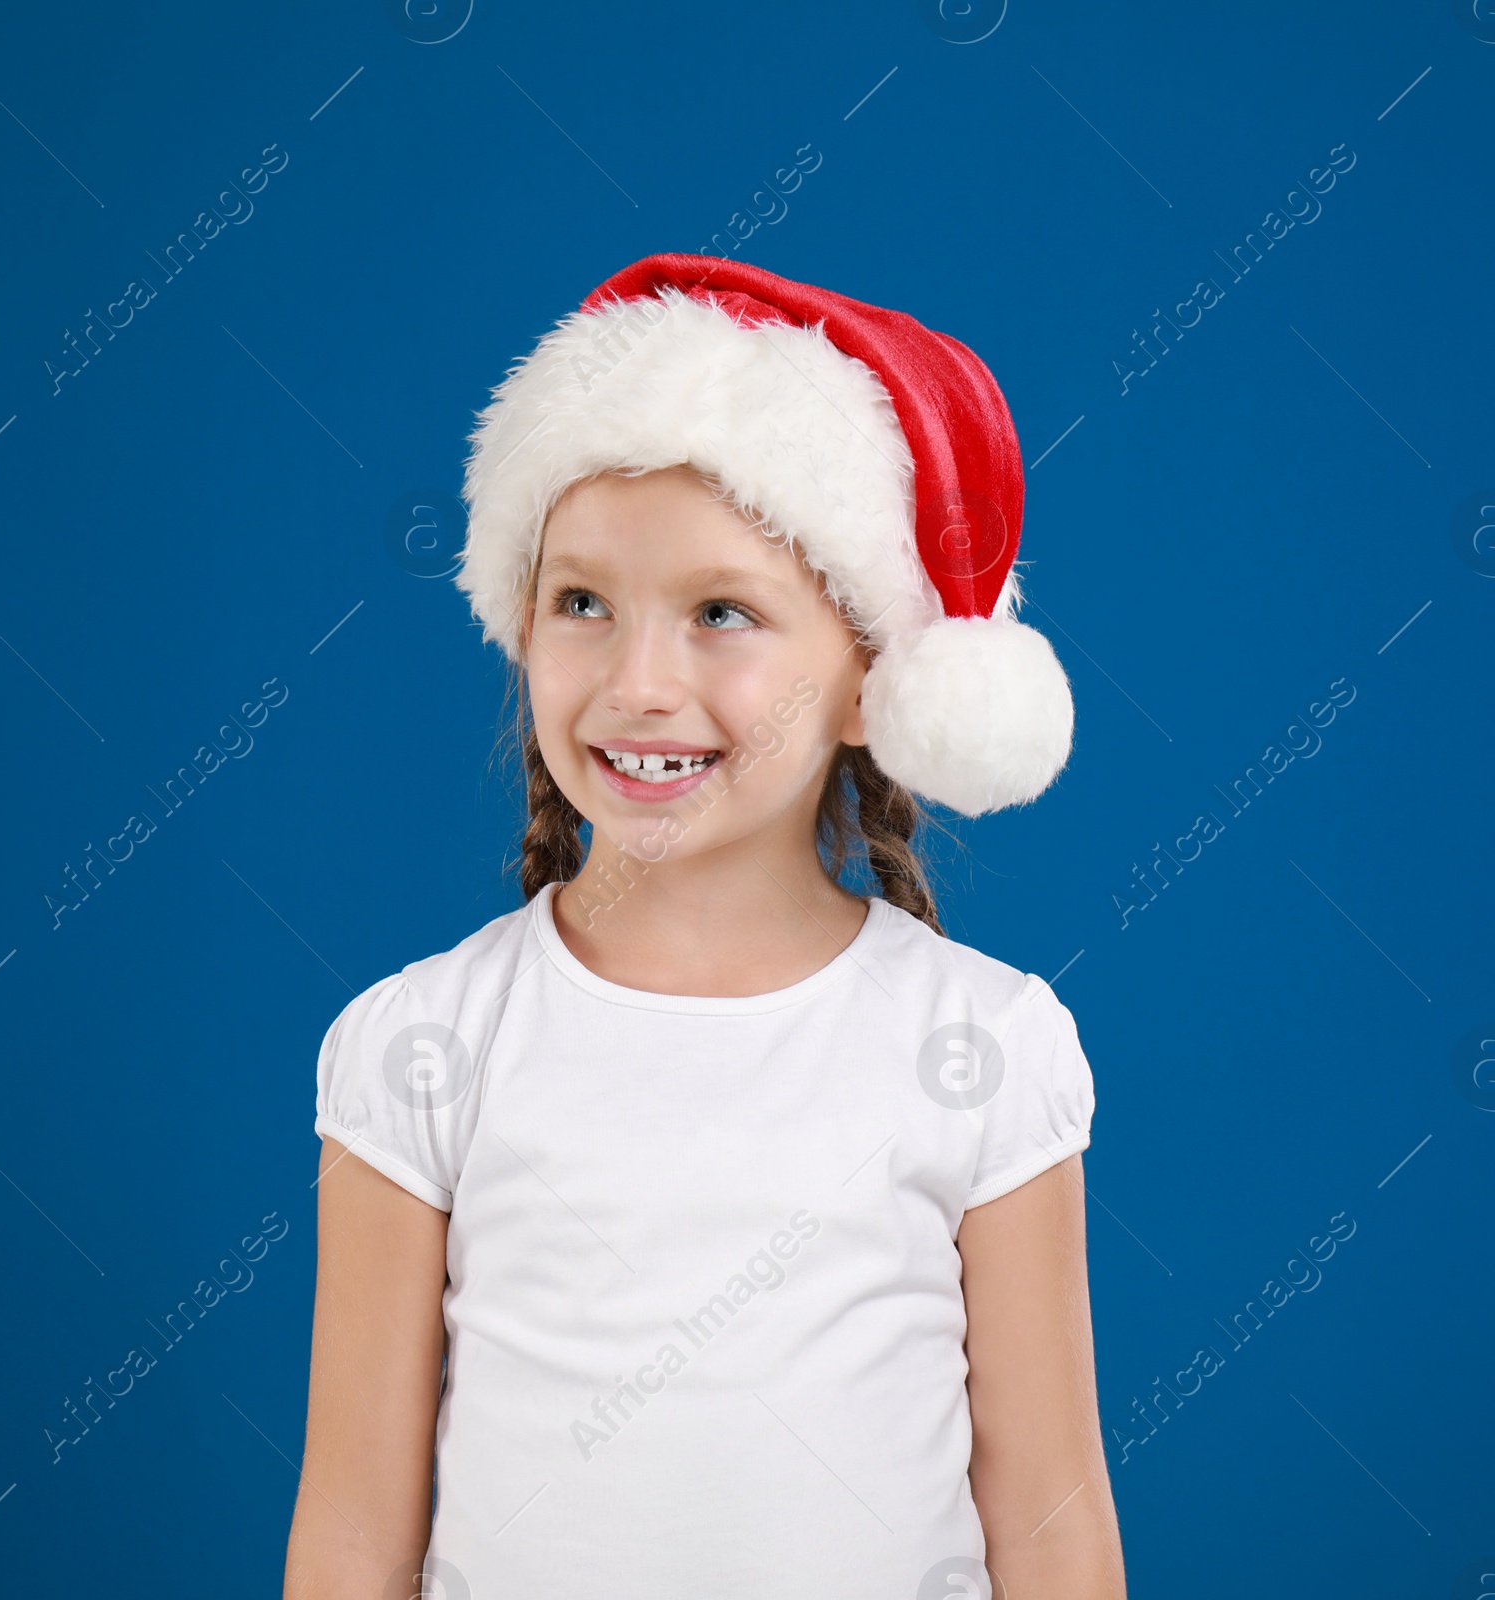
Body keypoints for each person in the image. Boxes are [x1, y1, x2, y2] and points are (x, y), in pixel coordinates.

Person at [284, 254, 1126, 1599]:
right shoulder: (418, 1047)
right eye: (581, 605)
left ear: (872, 682)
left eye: (720, 612)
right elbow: (348, 1533)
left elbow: (1051, 1520)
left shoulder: (984, 1045)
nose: (638, 682)